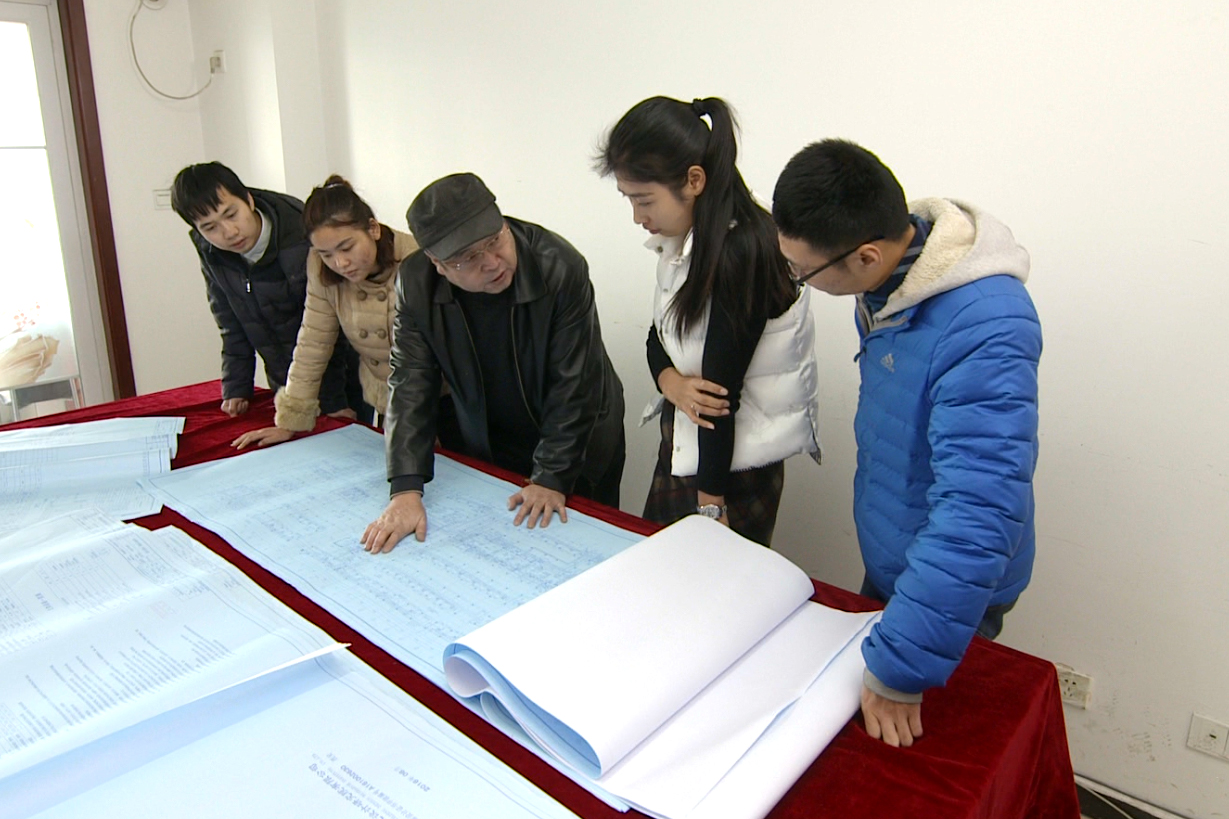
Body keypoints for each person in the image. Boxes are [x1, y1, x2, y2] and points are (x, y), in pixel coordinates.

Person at [772, 139, 1042, 747]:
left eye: (802, 272)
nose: (795, 280)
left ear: (865, 256)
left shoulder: (987, 323)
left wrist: (901, 668)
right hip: (897, 555)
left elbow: (978, 511)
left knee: (909, 750)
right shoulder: (892, 283)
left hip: (949, 583)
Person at [361, 173, 626, 553]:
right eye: (468, 257)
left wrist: (552, 476)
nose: (491, 262)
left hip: (576, 437)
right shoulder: (415, 283)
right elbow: (410, 381)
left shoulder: (558, 266)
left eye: (495, 240)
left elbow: (574, 383)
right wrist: (405, 488)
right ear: (438, 264)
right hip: (491, 434)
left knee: (581, 549)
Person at [597, 96, 820, 546]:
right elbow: (658, 335)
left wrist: (711, 505)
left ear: (694, 180)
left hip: (730, 468)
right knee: (659, 569)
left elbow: (719, 399)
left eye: (644, 200)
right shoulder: (686, 239)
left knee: (712, 579)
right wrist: (669, 382)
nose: (638, 217)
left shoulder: (743, 251)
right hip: (688, 444)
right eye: (629, 200)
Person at [232, 175, 419, 450]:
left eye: (347, 247)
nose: (340, 263)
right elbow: (313, 341)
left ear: (373, 229)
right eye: (326, 254)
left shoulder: (417, 259)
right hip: (390, 398)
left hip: (443, 398)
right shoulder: (321, 270)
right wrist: (290, 421)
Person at [171, 162, 356, 418]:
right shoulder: (211, 251)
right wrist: (237, 386)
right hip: (284, 381)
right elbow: (230, 321)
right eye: (210, 227)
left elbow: (328, 329)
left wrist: (333, 401)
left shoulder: (299, 234)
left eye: (231, 214)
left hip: (344, 379)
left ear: (248, 199)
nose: (229, 232)